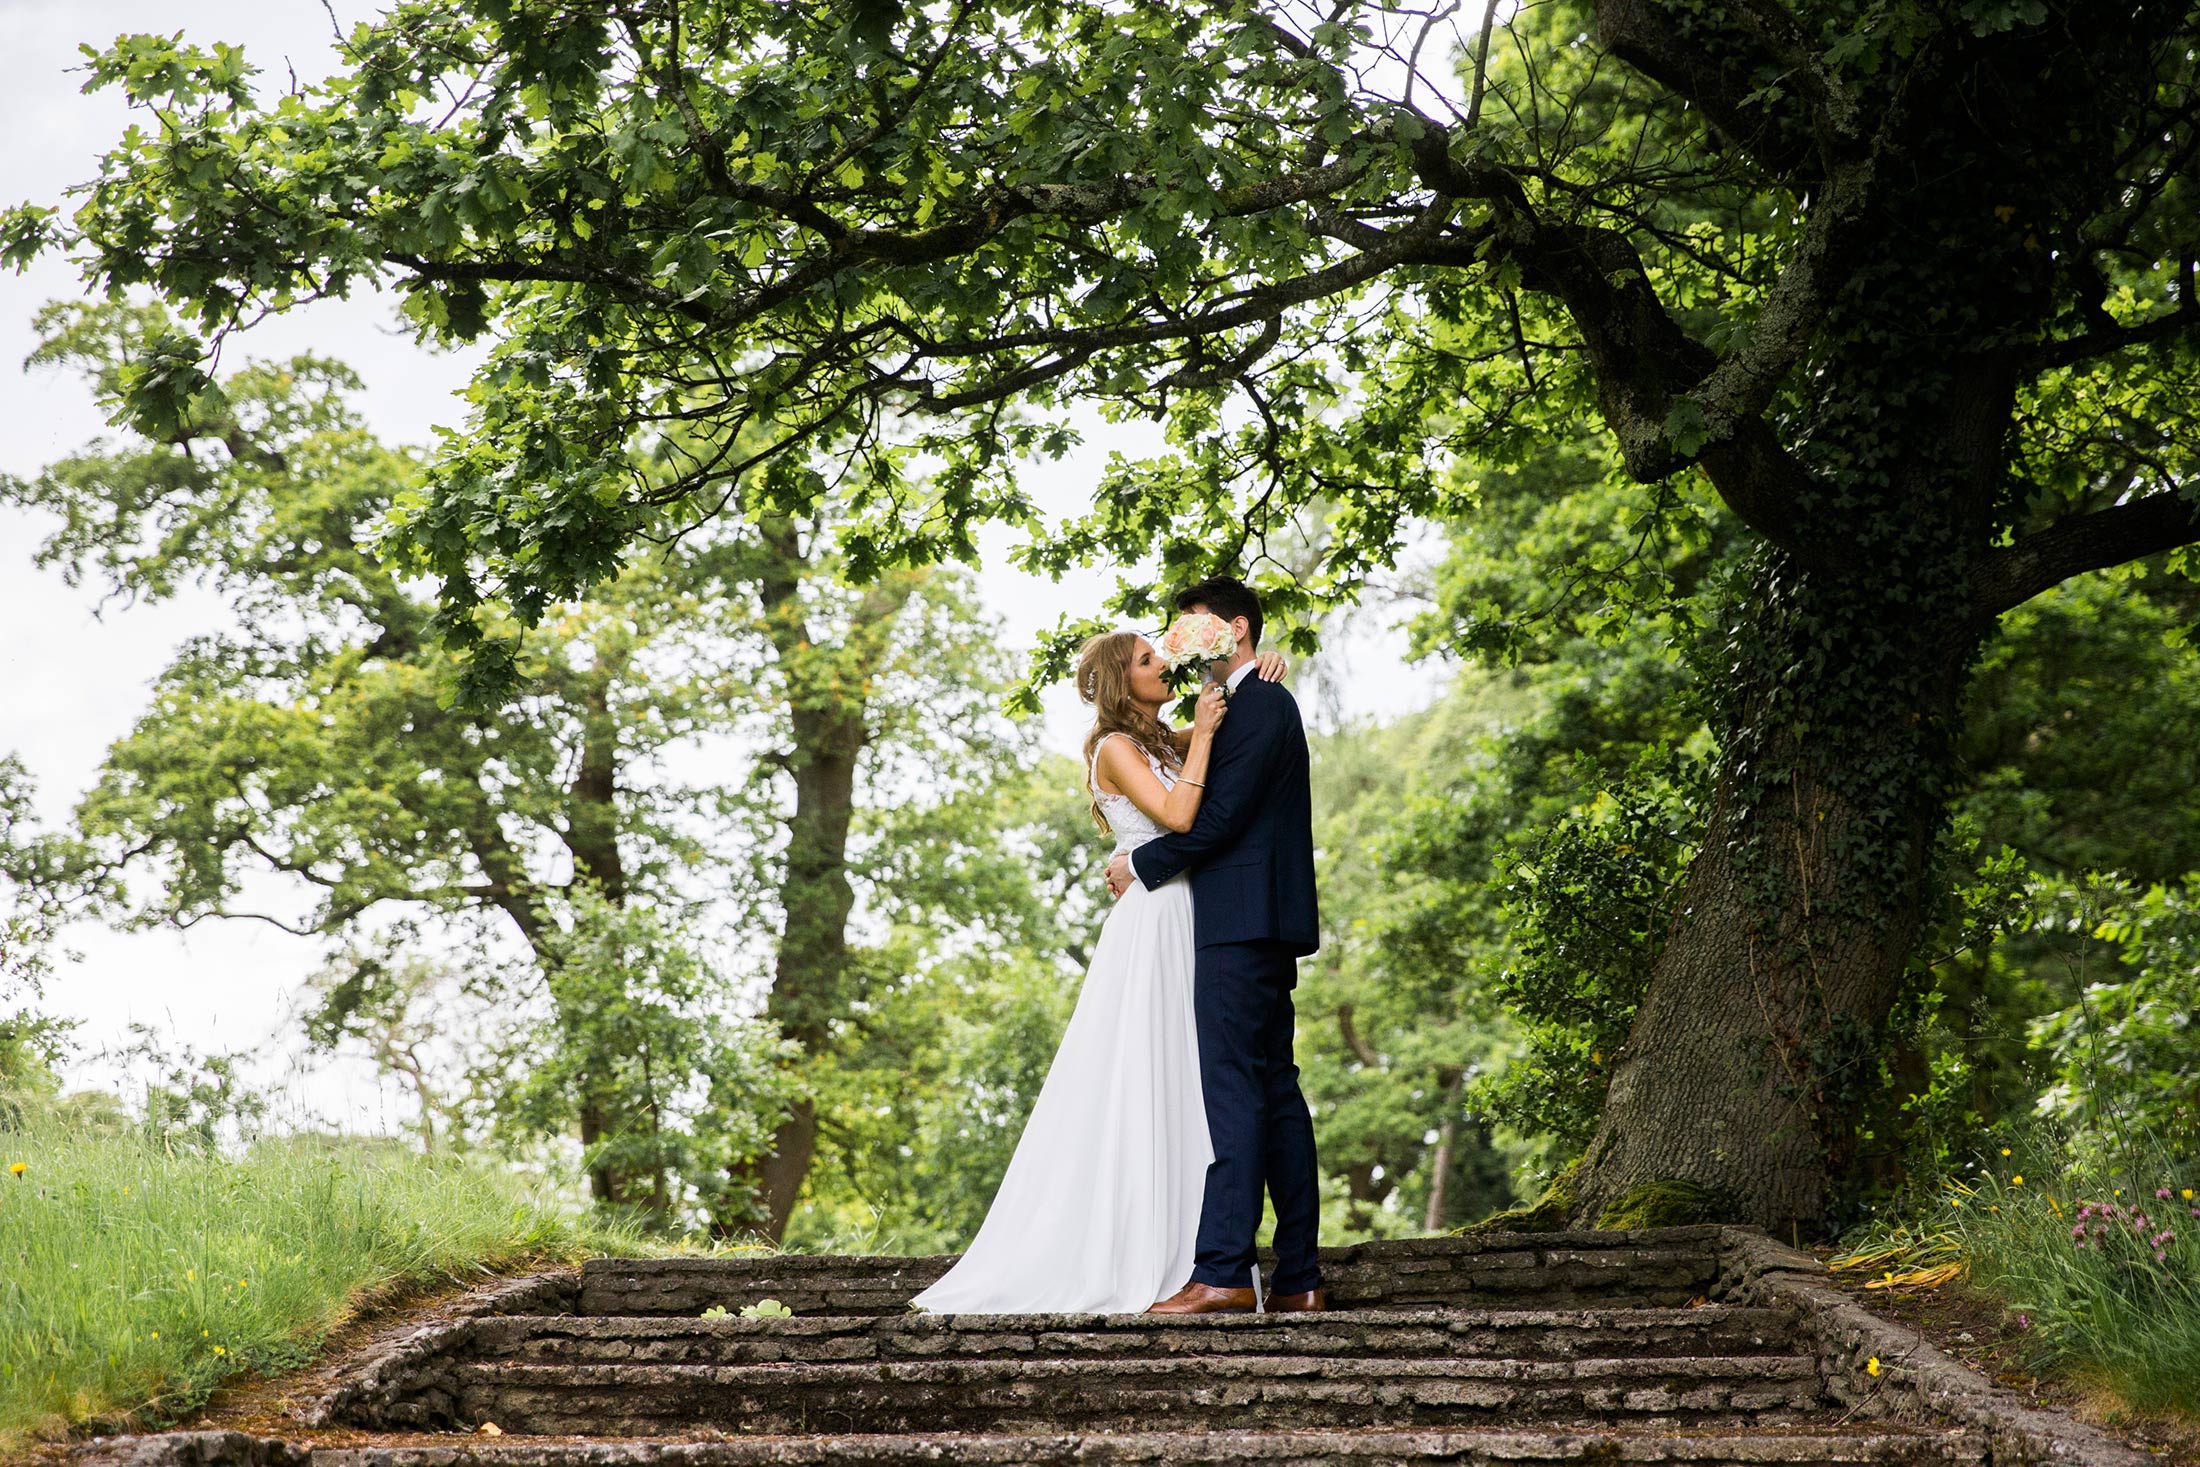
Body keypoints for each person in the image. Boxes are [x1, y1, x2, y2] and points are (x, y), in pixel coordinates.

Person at [910, 628, 1288, 1314]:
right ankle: (1136, 1250)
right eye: (1148, 660)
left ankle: (1197, 1251)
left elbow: (1221, 788)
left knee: (1196, 1085)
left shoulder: (1167, 738)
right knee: (1148, 1075)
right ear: (1121, 681)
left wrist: (1256, 670)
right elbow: (1177, 813)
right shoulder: (1116, 748)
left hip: (1194, 917)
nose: (1162, 664)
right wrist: (1199, 732)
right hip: (1153, 924)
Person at [1105, 575, 1324, 1315]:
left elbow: (1218, 818)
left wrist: (1140, 865)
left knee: (1234, 1094)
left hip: (1240, 920)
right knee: (1273, 1094)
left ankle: (1226, 1270)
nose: (1176, 639)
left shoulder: (1259, 703)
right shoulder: (1243, 701)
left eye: (1189, 624)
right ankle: (1298, 1278)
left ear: (1233, 629)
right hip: (1249, 921)